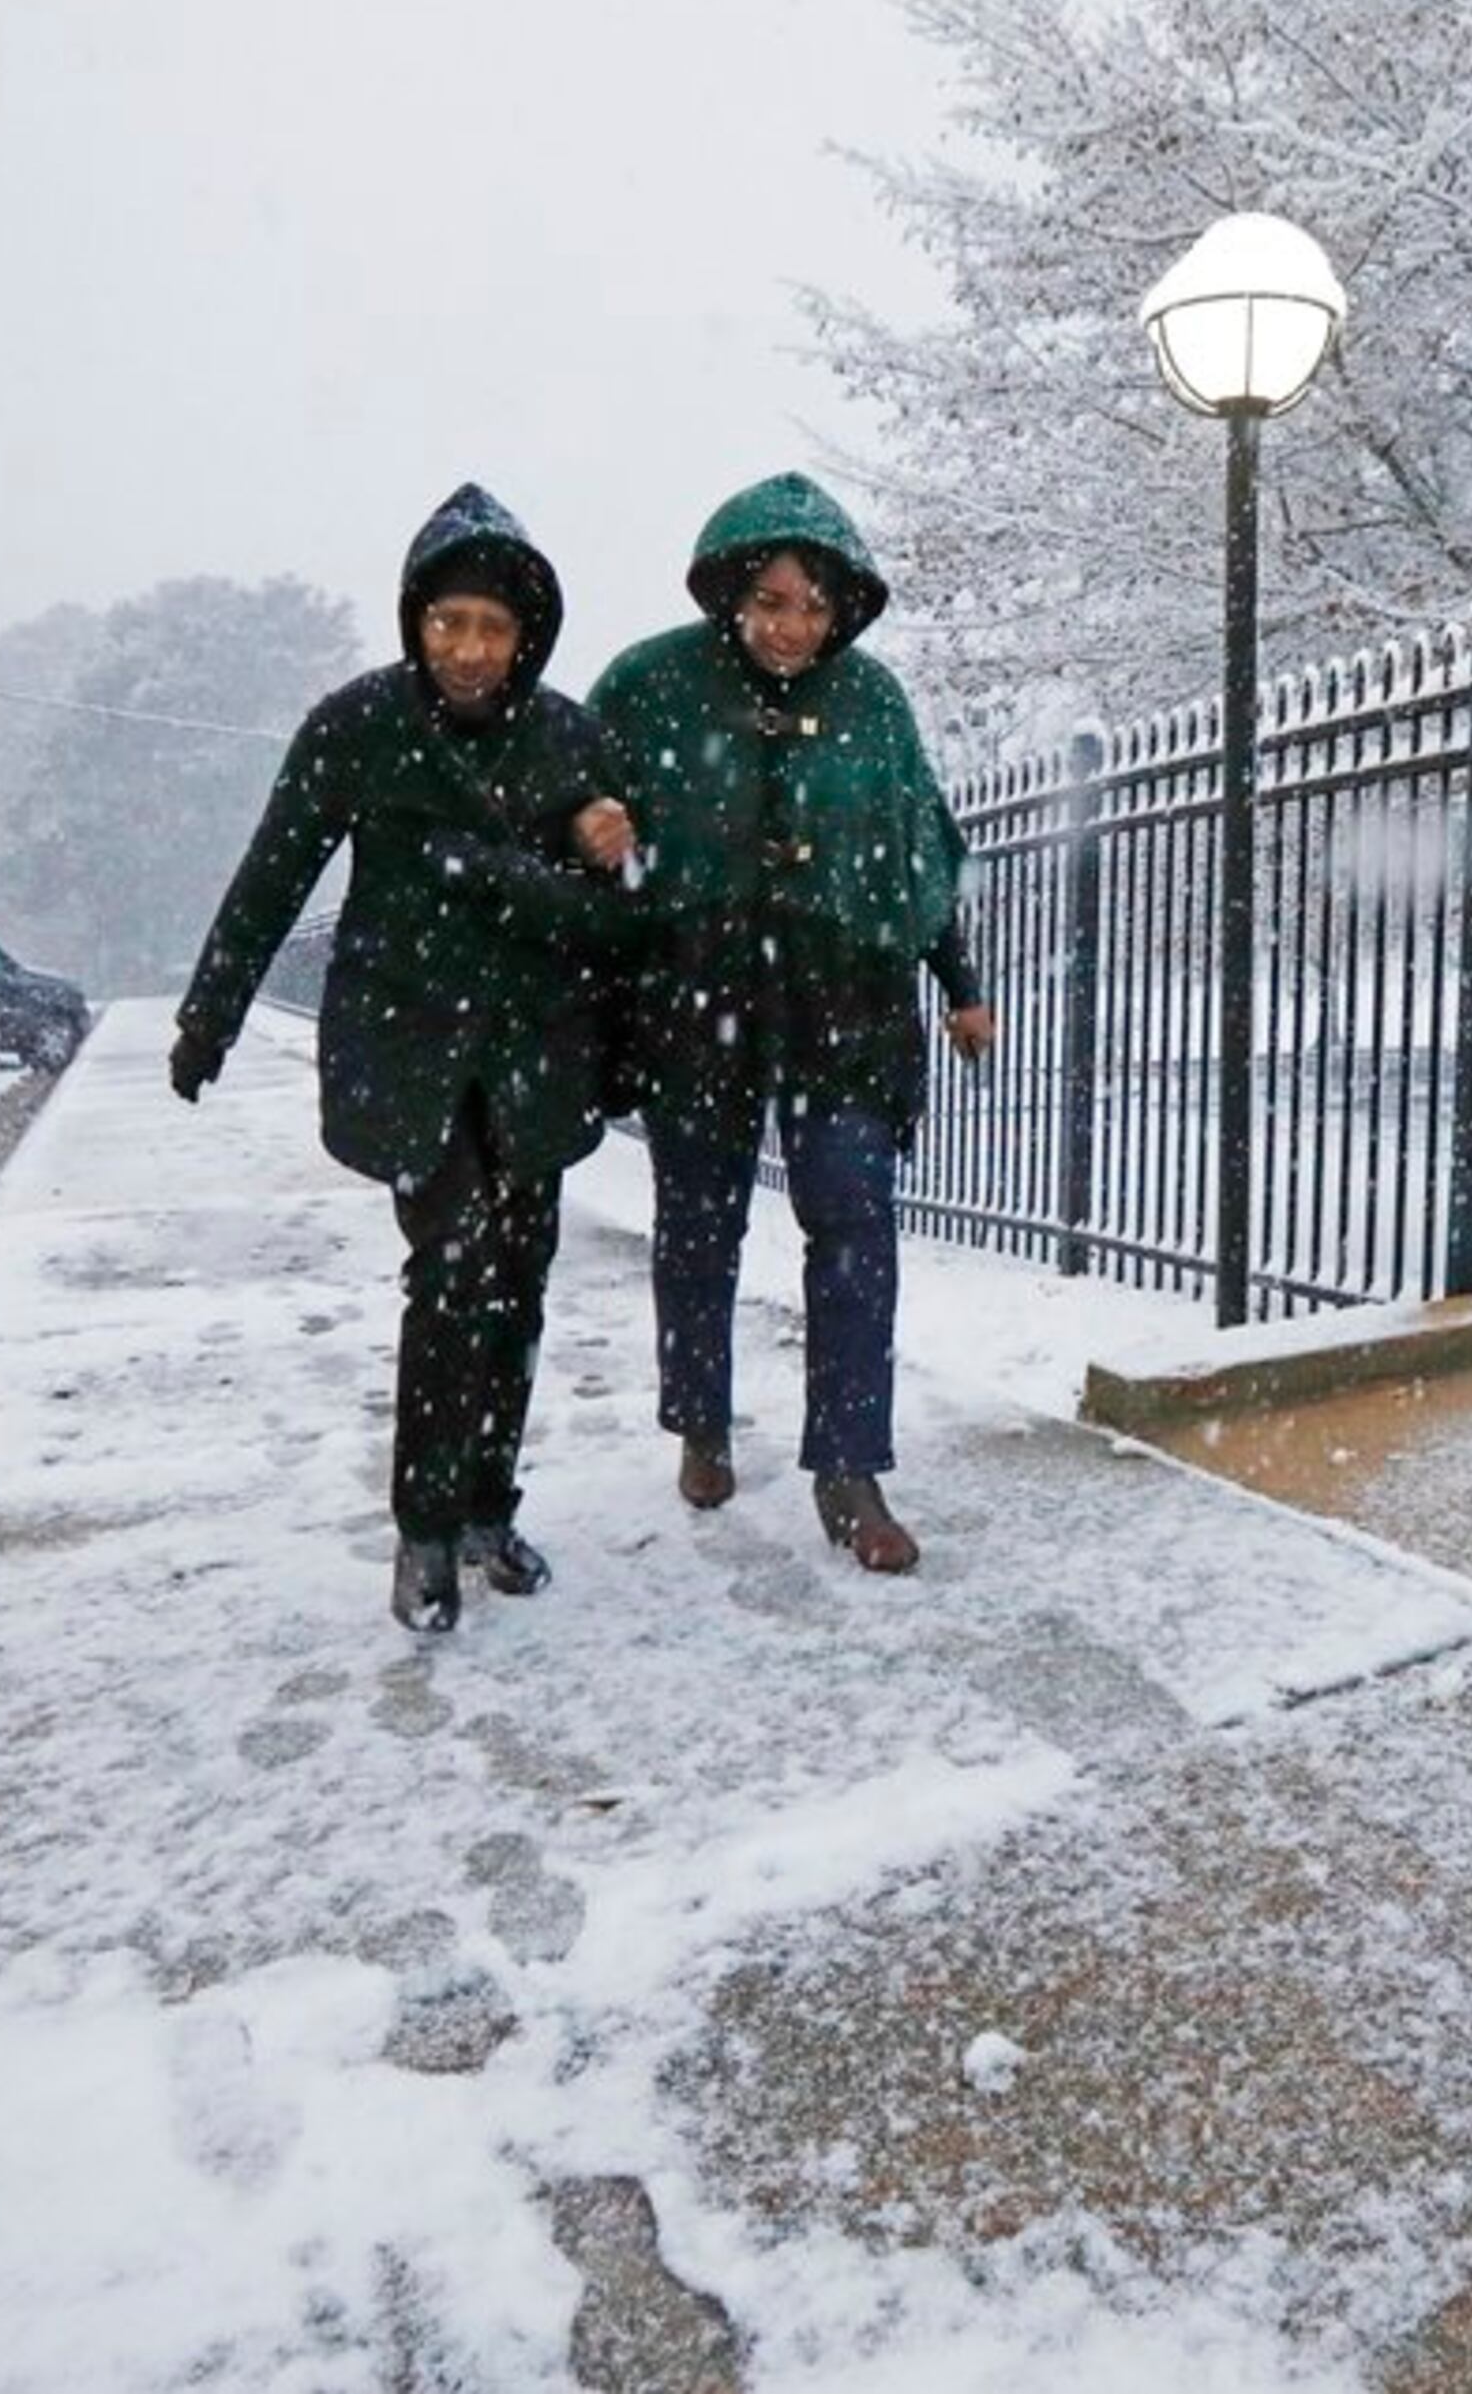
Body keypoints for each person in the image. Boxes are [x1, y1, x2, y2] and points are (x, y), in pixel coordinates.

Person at [167, 481, 634, 1633]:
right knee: (452, 1269)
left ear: (527, 635)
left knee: (519, 1276)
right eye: (448, 623)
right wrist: (209, 1015)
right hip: (410, 1041)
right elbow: (275, 869)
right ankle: (422, 1529)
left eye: (491, 627)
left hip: (531, 1050)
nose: (468, 649)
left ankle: (487, 1506)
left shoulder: (570, 735)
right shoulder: (357, 725)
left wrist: (606, 844)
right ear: (415, 622)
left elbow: (622, 909)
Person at [583, 472, 992, 1574]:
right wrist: (590, 826)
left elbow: (921, 852)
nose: (791, 625)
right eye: (770, 599)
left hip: (844, 1008)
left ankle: (850, 1466)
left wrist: (960, 981)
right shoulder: (649, 685)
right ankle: (703, 1420)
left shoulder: (873, 703)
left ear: (843, 605)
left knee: (854, 1226)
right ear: (732, 594)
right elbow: (567, 792)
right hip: (698, 1003)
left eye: (812, 604)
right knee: (699, 1228)